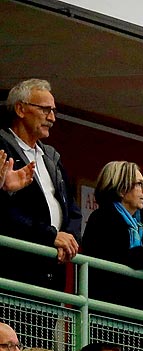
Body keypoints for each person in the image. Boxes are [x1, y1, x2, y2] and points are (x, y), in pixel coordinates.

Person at [0, 79, 80, 288]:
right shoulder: (1, 149)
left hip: (51, 274)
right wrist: (50, 236)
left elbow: (73, 209)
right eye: (45, 110)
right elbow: (7, 214)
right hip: (14, 274)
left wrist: (69, 239)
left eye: (53, 111)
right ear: (20, 109)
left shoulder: (51, 157)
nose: (52, 118)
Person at [80, 160, 143, 314]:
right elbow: (119, 256)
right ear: (121, 190)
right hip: (106, 316)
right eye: (139, 184)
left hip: (133, 315)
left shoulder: (139, 225)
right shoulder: (103, 218)